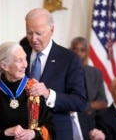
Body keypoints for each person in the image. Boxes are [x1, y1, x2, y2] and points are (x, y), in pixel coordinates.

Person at [23, 8, 87, 140]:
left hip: (56, 133)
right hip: (23, 132)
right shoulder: (20, 55)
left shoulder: (69, 59)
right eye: (29, 33)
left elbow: (79, 101)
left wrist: (48, 94)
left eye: (38, 33)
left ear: (52, 30)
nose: (33, 38)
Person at [0, 42, 55, 140]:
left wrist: (34, 133)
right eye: (19, 61)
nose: (25, 65)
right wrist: (4, 133)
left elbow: (51, 128)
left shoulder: (34, 89)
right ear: (4, 66)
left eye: (25, 59)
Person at [69, 37, 106, 140]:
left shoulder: (96, 73)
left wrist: (85, 106)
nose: (78, 53)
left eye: (82, 50)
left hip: (93, 120)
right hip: (73, 118)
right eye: (75, 49)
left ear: (87, 53)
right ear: (70, 51)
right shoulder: (65, 72)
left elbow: (103, 102)